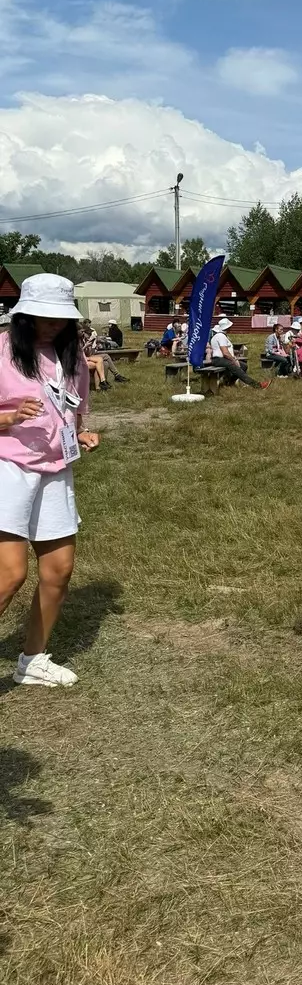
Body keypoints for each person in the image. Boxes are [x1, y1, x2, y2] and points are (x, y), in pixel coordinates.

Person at [0, 273, 100, 687]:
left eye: (60, 318)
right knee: (10, 574)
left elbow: (73, 410)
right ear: (24, 316)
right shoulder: (2, 350)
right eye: (43, 317)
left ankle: (33, 660)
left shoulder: (71, 356)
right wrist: (9, 417)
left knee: (59, 569)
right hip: (9, 467)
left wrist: (82, 433)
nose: (53, 324)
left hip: (57, 470)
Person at [210, 320, 269, 388]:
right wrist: (234, 360)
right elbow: (225, 353)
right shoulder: (221, 336)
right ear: (227, 327)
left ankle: (229, 383)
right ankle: (257, 385)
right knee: (235, 366)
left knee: (243, 366)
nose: (231, 328)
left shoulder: (221, 336)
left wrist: (235, 353)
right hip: (219, 359)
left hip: (222, 359)